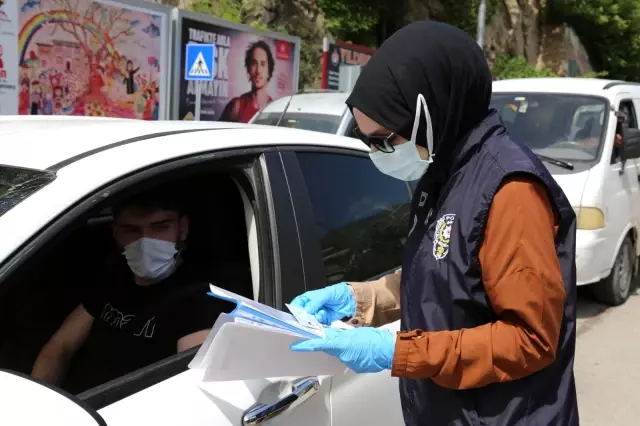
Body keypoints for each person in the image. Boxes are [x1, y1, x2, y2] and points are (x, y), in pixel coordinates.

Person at [289, 21, 579, 425]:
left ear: (433, 111)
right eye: (368, 140)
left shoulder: (510, 189)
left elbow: (529, 339)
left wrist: (398, 353)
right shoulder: (443, 173)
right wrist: (362, 299)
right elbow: (445, 276)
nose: (378, 152)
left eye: (385, 139)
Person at [31, 187, 229, 393]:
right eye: (131, 230)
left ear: (182, 229)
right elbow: (60, 347)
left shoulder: (201, 296)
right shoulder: (114, 274)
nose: (145, 241)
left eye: (160, 227)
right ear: (116, 233)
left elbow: (187, 386)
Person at [219, 40, 274, 123]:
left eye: (263, 64)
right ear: (248, 69)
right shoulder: (237, 106)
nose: (258, 71)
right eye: (254, 64)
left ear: (269, 70)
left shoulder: (275, 108)